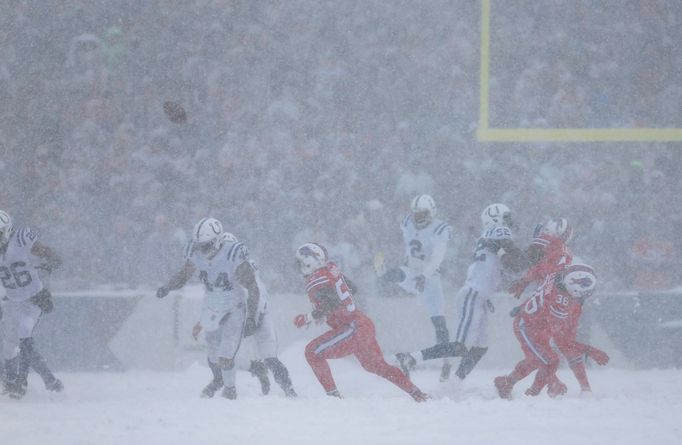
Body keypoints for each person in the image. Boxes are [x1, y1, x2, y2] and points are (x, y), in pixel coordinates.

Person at [157, 218, 296, 399]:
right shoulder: (203, 257)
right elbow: (191, 278)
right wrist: (168, 287)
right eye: (199, 246)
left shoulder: (240, 264)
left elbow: (255, 294)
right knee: (217, 353)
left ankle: (288, 389)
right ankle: (232, 376)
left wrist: (251, 320)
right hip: (225, 309)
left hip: (255, 313)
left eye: (206, 246)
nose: (202, 251)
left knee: (266, 356)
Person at [396, 204, 526, 381]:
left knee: (481, 346)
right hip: (474, 294)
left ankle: (456, 381)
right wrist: (533, 256)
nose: (510, 221)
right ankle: (411, 358)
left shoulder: (487, 235)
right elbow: (517, 262)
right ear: (496, 218)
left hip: (479, 295)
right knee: (460, 347)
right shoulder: (499, 230)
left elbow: (503, 265)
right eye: (506, 216)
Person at [294, 242, 428, 401]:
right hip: (361, 324)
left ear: (311, 261)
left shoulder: (316, 278)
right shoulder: (330, 268)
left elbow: (331, 303)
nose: (298, 266)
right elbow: (352, 288)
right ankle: (416, 392)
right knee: (376, 366)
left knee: (312, 352)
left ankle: (333, 397)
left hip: (352, 328)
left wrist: (309, 317)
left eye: (301, 262)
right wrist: (328, 310)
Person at [494, 263, 609, 399]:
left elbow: (539, 270)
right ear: (575, 289)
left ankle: (507, 382)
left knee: (539, 359)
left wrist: (524, 287)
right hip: (528, 327)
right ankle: (532, 394)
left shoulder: (556, 275)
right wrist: (590, 350)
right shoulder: (563, 303)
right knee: (550, 360)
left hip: (536, 325)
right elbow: (564, 342)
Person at [375, 194, 454, 381]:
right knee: (399, 274)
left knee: (439, 322)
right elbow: (399, 240)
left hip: (431, 276)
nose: (417, 218)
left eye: (422, 214)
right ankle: (383, 273)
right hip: (411, 270)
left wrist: (425, 275)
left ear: (432, 213)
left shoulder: (439, 229)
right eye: (416, 214)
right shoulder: (407, 223)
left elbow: (438, 257)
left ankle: (446, 361)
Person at [0, 210, 63, 399]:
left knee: (24, 332)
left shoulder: (20, 238)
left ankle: (21, 381)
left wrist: (46, 286)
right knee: (9, 347)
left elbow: (50, 258)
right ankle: (41, 380)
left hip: (33, 298)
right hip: (12, 301)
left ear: (7, 230)